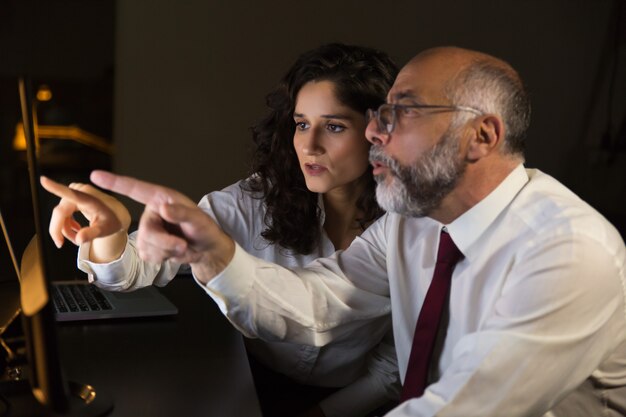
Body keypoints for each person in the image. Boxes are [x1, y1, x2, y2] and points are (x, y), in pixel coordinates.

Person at [45, 45, 626, 417]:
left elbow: (465, 408)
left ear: (483, 136)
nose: (377, 133)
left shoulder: (568, 251)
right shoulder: (417, 226)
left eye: (401, 113)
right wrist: (216, 251)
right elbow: (318, 304)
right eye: (380, 116)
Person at [41, 44, 401, 417]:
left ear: (378, 133)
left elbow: (394, 366)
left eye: (335, 126)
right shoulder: (256, 199)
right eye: (302, 124)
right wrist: (110, 233)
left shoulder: (406, 229)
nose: (309, 146)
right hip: (253, 385)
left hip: (354, 404)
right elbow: (132, 269)